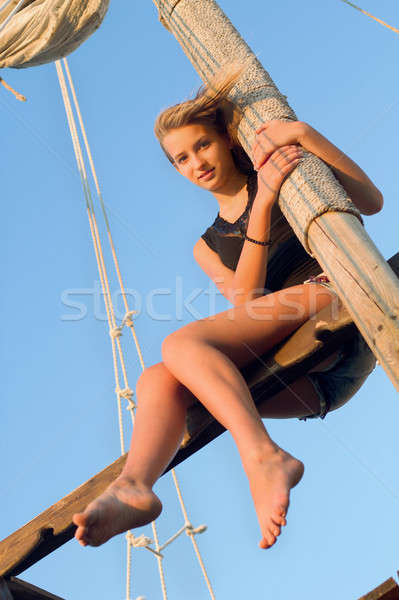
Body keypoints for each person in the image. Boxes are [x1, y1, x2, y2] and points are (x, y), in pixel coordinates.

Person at [72, 65, 383, 551]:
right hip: (309, 387)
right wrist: (260, 209)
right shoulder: (207, 246)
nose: (195, 162)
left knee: (181, 345)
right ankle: (135, 486)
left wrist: (301, 134)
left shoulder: (283, 172)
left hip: (340, 305)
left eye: (202, 145)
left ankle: (262, 458)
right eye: (180, 159)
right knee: (159, 380)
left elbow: (372, 200)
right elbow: (248, 301)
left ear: (224, 140)